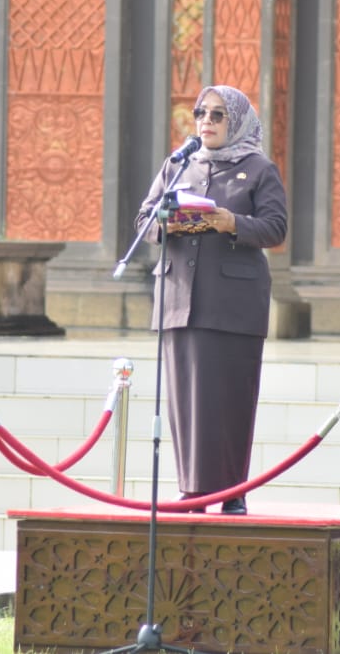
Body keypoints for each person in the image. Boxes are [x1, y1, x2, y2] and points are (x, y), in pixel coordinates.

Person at [134, 84, 287, 516]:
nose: (206, 121)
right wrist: (168, 224)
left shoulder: (259, 169)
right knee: (186, 398)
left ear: (236, 121)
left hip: (233, 304)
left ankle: (232, 491)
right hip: (179, 299)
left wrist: (229, 221)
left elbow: (275, 228)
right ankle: (193, 489)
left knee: (229, 398)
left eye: (218, 115)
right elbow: (144, 218)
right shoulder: (178, 165)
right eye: (201, 112)